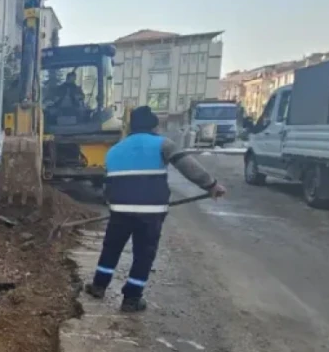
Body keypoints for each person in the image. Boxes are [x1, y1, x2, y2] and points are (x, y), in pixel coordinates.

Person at [84, 106, 226, 312]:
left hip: (119, 210)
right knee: (144, 254)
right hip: (150, 213)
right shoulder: (163, 144)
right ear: (154, 126)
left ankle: (98, 286)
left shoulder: (114, 150)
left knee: (111, 249)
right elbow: (189, 167)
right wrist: (211, 185)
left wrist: (113, 203)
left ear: (131, 126)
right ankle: (131, 299)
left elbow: (107, 184)